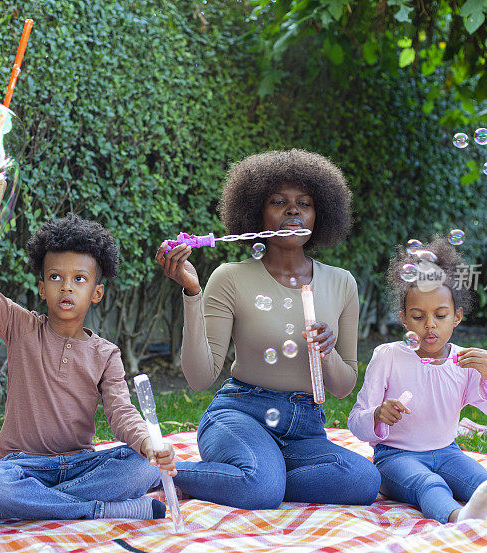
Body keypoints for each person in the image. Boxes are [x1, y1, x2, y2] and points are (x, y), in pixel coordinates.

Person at [156, 149, 380, 510]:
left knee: (364, 480)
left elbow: (342, 387)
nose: (293, 211)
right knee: (261, 488)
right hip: (241, 414)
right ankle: (163, 472)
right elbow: (200, 378)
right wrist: (193, 293)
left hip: (305, 426)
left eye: (304, 203)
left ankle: (258, 477)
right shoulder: (229, 277)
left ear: (319, 213)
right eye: (279, 202)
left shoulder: (342, 283)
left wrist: (327, 351)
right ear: (255, 212)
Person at [0, 191, 176, 523]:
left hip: (81, 466)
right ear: (42, 288)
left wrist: (148, 443)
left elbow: (121, 413)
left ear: (96, 293)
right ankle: (101, 510)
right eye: (56, 277)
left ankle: (12, 508)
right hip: (21, 465)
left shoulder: (106, 353)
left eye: (79, 279)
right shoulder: (19, 326)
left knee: (145, 468)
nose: (66, 287)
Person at [348, 237, 487, 524]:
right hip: (395, 458)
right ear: (404, 320)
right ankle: (458, 516)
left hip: (447, 451)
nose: (430, 324)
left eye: (440, 315)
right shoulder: (388, 356)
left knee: (483, 480)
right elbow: (356, 421)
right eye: (418, 316)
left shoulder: (464, 362)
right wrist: (377, 415)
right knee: (428, 484)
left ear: (457, 316)